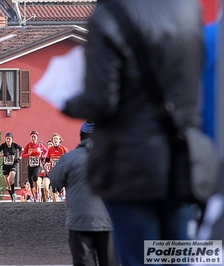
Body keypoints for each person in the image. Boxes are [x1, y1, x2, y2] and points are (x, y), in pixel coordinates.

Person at [62, 0, 205, 265]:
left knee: (139, 257)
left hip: (130, 165)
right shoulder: (188, 9)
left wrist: (66, 101)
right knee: (178, 255)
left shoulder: (108, 16)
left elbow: (101, 101)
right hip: (182, 161)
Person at [50, 122, 119, 266]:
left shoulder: (69, 158)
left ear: (81, 137)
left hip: (79, 222)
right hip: (109, 221)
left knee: (83, 262)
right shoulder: (115, 157)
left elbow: (54, 181)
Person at [0, 132, 23, 201]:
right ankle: (13, 198)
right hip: (5, 167)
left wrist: (19, 158)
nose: (8, 140)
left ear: (12, 139)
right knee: (8, 185)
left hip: (13, 165)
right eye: (7, 138)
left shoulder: (15, 145)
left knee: (10, 179)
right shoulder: (3, 146)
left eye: (9, 139)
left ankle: (13, 194)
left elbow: (23, 150)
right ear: (5, 139)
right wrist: (3, 155)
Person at [22, 130, 48, 202]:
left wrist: (44, 156)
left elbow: (46, 151)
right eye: (32, 137)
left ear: (37, 137)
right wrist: (28, 154)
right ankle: (35, 198)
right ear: (30, 137)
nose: (33, 138)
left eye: (34, 137)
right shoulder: (28, 145)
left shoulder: (40, 145)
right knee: (31, 182)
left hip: (38, 165)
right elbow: (23, 155)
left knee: (35, 177)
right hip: (30, 165)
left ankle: (36, 192)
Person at [46, 133, 68, 202]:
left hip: (61, 170)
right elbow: (47, 158)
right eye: (54, 139)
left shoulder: (63, 149)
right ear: (52, 141)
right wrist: (46, 164)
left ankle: (61, 191)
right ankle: (54, 204)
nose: (55, 140)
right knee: (53, 187)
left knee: (59, 188)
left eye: (56, 139)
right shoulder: (50, 149)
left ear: (59, 140)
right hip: (53, 171)